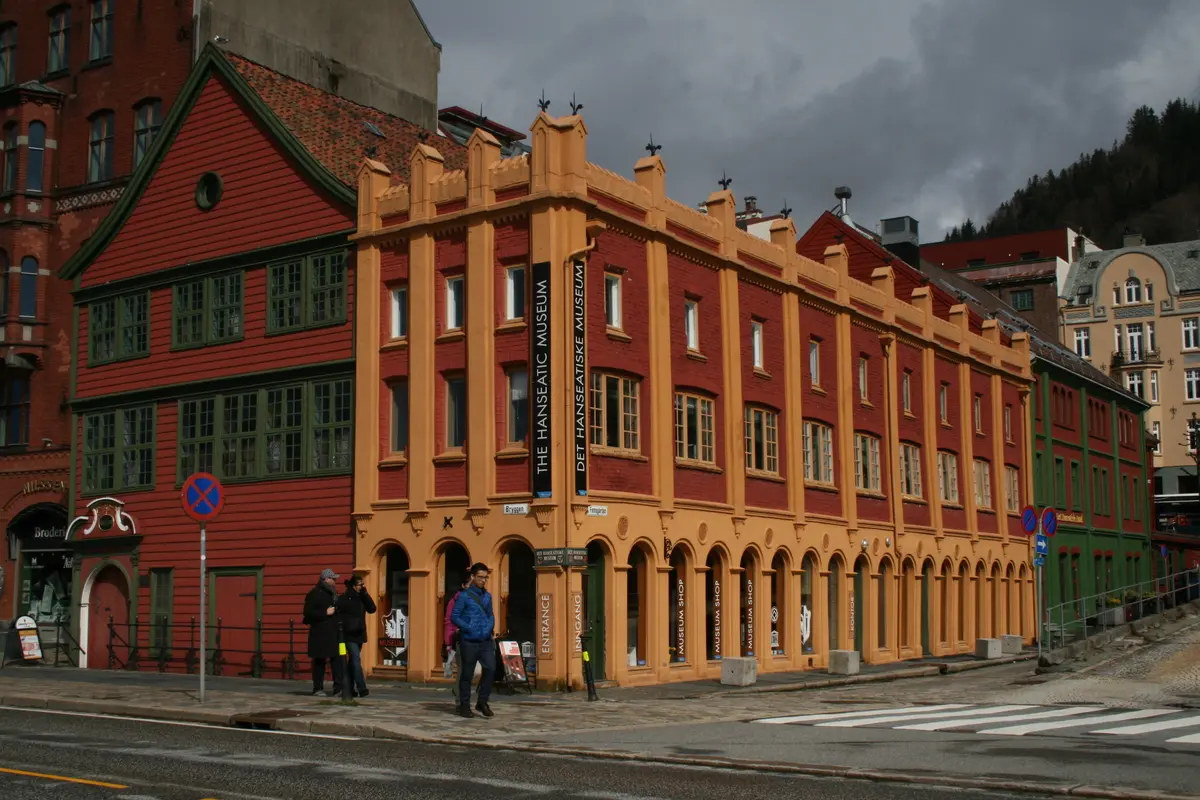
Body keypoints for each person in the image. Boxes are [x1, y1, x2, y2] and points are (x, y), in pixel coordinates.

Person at [449, 562, 496, 718]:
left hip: (485, 641)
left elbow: (490, 614)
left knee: (491, 668)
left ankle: (482, 702)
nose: (483, 580)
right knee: (467, 674)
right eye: (480, 577)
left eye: (485, 578)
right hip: (469, 640)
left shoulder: (488, 596)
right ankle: (464, 705)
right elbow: (454, 616)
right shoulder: (464, 596)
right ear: (473, 577)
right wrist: (468, 627)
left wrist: (489, 627)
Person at [303, 568, 344, 696]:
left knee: (337, 660)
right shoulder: (314, 593)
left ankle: (338, 688)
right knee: (320, 661)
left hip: (334, 632)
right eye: (333, 579)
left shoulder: (333, 593)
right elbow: (307, 614)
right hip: (320, 633)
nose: (335, 581)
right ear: (326, 579)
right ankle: (318, 688)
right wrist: (325, 613)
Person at [337, 575, 377, 698]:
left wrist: (365, 594)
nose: (362, 587)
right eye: (361, 585)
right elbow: (340, 615)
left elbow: (372, 609)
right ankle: (362, 688)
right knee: (355, 659)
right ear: (354, 586)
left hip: (359, 633)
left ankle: (349, 688)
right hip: (348, 634)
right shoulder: (344, 598)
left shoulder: (362, 598)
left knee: (352, 663)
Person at [443, 574, 470, 692]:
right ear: (463, 586)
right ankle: (460, 700)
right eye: (470, 585)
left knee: (476, 670)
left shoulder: (482, 598)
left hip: (476, 639)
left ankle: (458, 690)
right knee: (463, 669)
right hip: (460, 639)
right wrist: (449, 643)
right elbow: (449, 622)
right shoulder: (454, 601)